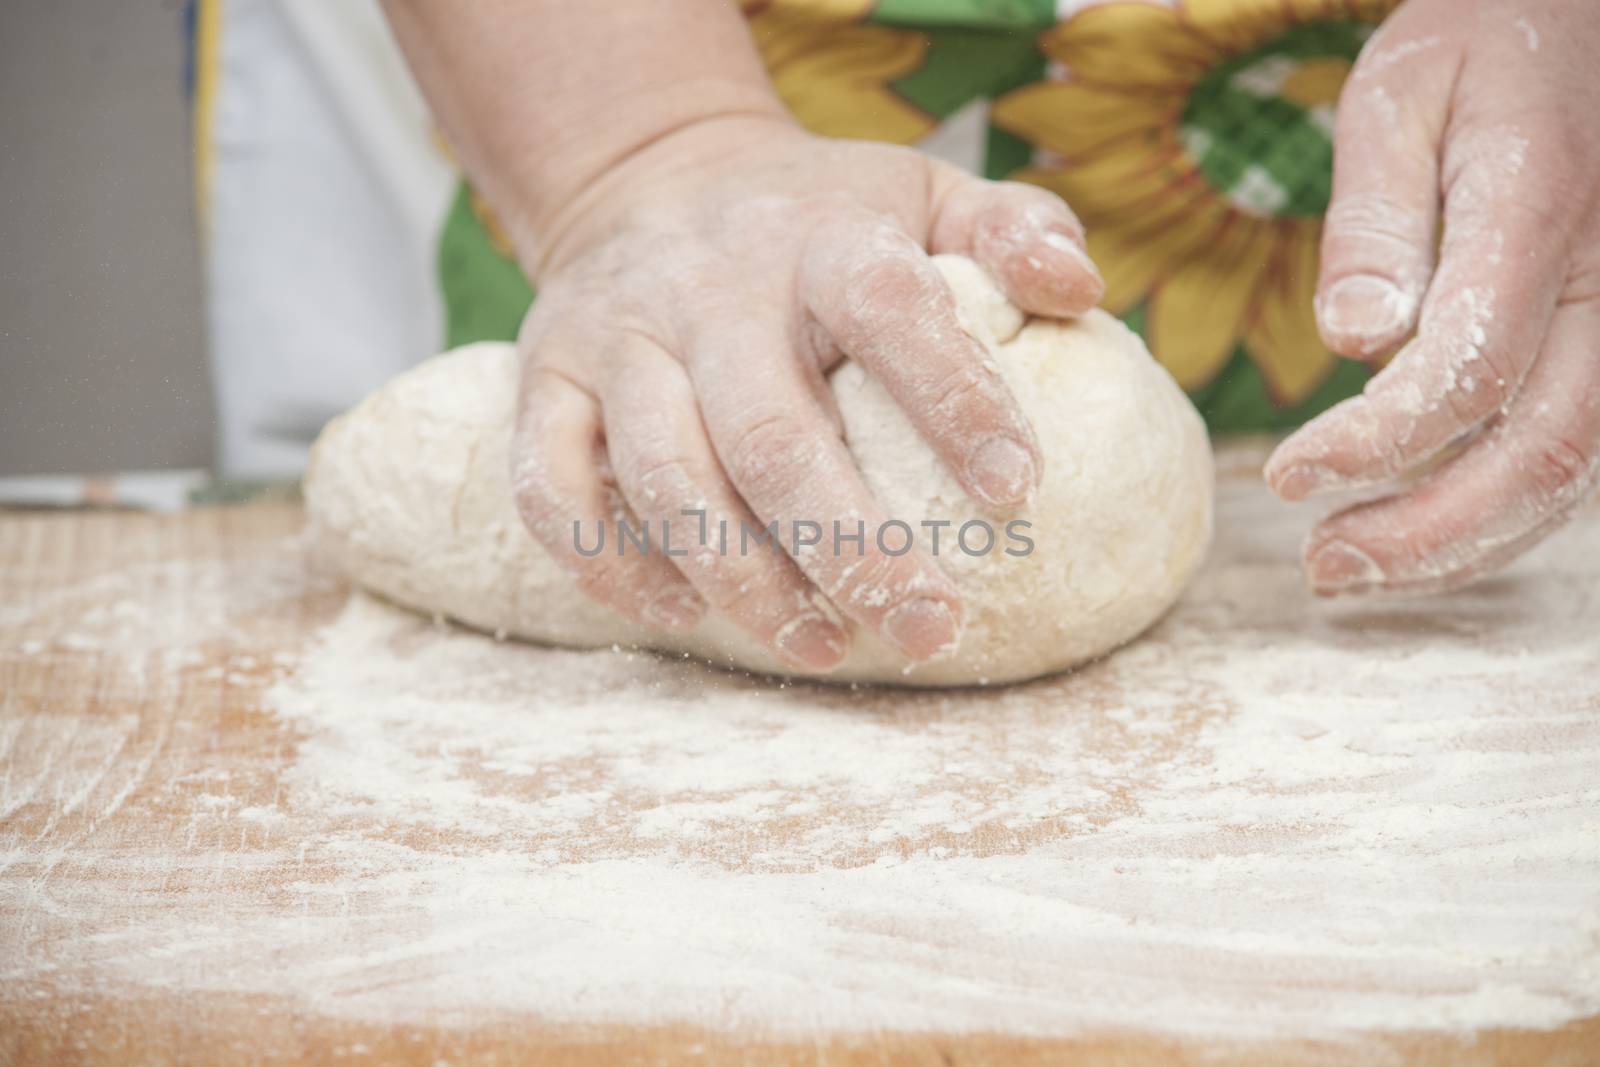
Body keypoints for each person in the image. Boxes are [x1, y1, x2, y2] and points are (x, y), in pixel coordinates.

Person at [194, 0, 1599, 672]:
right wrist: (636, 154)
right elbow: (629, 162)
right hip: (585, 76)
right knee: (664, 411)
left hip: (1324, 121)